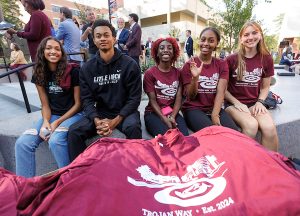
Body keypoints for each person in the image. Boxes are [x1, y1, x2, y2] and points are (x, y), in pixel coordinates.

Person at [68, 19, 142, 161]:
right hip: (101, 112)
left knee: (133, 128)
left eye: (106, 35)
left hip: (125, 112)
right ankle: (79, 174)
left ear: (114, 38)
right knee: (74, 132)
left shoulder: (130, 65)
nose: (103, 38)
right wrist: (96, 120)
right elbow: (87, 100)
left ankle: (136, 168)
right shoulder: (87, 68)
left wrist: (115, 121)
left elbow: (134, 98)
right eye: (98, 36)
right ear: (94, 40)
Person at [14, 36, 83, 177]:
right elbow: (45, 105)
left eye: (57, 49)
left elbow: (78, 104)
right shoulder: (39, 73)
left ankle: (69, 181)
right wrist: (46, 122)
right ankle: (26, 189)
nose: (53, 51)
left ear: (62, 53)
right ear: (42, 51)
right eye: (49, 48)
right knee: (23, 143)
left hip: (75, 114)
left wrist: (57, 122)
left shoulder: (73, 71)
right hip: (52, 115)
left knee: (56, 140)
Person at [225, 21, 279, 152]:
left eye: (254, 33)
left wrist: (260, 102)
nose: (250, 37)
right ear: (241, 38)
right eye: (246, 34)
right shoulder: (231, 59)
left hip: (255, 103)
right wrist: (237, 103)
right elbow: (223, 89)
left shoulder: (266, 59)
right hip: (233, 105)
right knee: (251, 125)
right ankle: (242, 164)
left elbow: (265, 87)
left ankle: (270, 165)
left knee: (269, 128)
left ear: (260, 34)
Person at [181, 27, 238, 132]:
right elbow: (191, 96)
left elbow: (221, 91)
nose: (206, 43)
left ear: (216, 44)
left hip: (214, 108)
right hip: (193, 109)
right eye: (203, 39)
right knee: (213, 133)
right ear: (199, 41)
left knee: (234, 133)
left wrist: (215, 114)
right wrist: (195, 78)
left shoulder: (221, 64)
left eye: (211, 41)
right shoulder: (189, 65)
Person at [143, 37, 189, 137]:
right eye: (162, 48)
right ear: (157, 53)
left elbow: (179, 98)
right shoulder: (150, 73)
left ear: (174, 52)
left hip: (172, 112)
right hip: (154, 113)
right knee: (167, 137)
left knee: (184, 136)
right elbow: (152, 100)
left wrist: (172, 116)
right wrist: (163, 118)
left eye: (169, 48)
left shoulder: (178, 73)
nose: (166, 50)